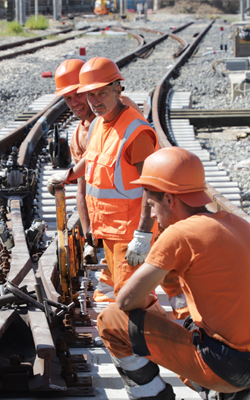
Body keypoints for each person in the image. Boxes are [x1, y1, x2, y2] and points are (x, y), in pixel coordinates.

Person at [97, 147, 250, 400]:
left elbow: (126, 301)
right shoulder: (239, 224)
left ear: (169, 200)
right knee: (180, 290)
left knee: (111, 320)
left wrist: (151, 307)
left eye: (152, 205)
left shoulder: (180, 234)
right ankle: (234, 395)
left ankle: (153, 396)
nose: (152, 215)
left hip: (224, 366)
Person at [48, 57, 158, 304]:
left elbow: (153, 187)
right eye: (90, 95)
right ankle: (120, 339)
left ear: (118, 89)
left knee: (132, 303)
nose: (94, 101)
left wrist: (143, 234)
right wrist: (69, 175)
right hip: (109, 233)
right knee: (106, 298)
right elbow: (92, 160)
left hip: (129, 235)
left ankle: (158, 340)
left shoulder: (134, 132)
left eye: (101, 93)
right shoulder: (98, 124)